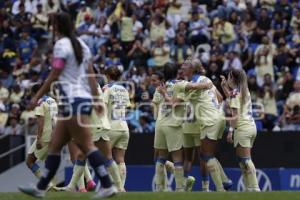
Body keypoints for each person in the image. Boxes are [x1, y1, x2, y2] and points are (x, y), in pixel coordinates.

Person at [18, 12, 117, 198]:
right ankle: (40, 188)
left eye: (53, 25)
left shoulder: (61, 45)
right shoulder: (83, 46)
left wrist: (36, 97)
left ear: (58, 27)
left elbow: (54, 75)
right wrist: (96, 100)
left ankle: (107, 185)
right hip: (79, 100)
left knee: (87, 146)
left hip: (73, 101)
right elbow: (91, 76)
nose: (52, 29)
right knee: (55, 146)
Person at [153, 63, 211, 191]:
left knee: (161, 158)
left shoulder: (159, 87)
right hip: (173, 125)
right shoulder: (179, 84)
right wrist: (207, 85)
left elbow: (155, 105)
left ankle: (159, 188)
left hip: (160, 123)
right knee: (177, 158)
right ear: (177, 72)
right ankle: (179, 188)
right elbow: (194, 85)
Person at [178, 60, 232, 192]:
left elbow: (175, 102)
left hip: (209, 120)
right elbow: (219, 98)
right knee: (206, 153)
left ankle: (221, 188)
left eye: (186, 65)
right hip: (218, 116)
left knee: (207, 155)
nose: (182, 67)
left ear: (193, 69)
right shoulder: (205, 79)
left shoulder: (191, 84)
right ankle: (225, 180)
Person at [222, 69, 260, 192]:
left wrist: (230, 131)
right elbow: (233, 98)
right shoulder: (244, 91)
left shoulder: (235, 93)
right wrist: (224, 88)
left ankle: (255, 187)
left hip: (242, 128)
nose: (227, 79)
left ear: (232, 79)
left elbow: (235, 115)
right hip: (251, 127)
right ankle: (249, 187)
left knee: (245, 160)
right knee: (242, 160)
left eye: (228, 77)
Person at [102, 66, 131, 191]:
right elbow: (128, 107)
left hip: (111, 126)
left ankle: (112, 186)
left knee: (107, 158)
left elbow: (102, 107)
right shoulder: (124, 89)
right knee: (120, 159)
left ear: (108, 76)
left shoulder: (107, 88)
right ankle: (121, 187)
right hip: (124, 127)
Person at [25, 84, 58, 189]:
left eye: (32, 94)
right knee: (49, 163)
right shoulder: (52, 100)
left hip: (45, 135)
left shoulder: (40, 102)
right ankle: (53, 186)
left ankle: (48, 186)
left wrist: (39, 138)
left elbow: (41, 121)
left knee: (29, 161)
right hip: (55, 134)